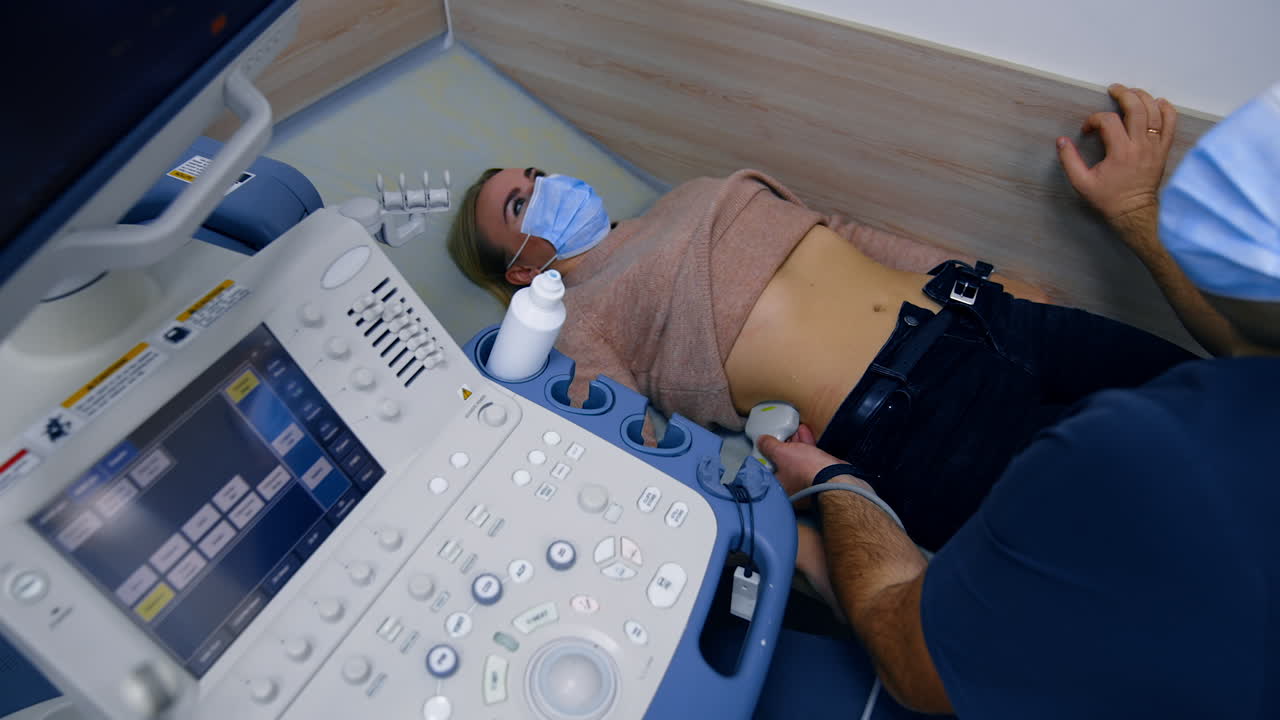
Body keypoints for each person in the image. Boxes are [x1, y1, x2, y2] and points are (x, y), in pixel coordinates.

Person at [447, 85, 1196, 551]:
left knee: (1212, 405)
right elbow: (637, 447)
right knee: (1145, 536)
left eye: (537, 176)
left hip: (986, 318)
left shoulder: (686, 196)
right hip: (909, 422)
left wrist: (984, 273)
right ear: (521, 270)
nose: (549, 190)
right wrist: (795, 524)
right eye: (521, 205)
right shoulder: (575, 320)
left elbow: (840, 228)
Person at [757, 82, 1280, 717]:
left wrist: (835, 490)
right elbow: (1256, 335)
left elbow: (915, 659)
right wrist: (1138, 214)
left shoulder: (1141, 459)